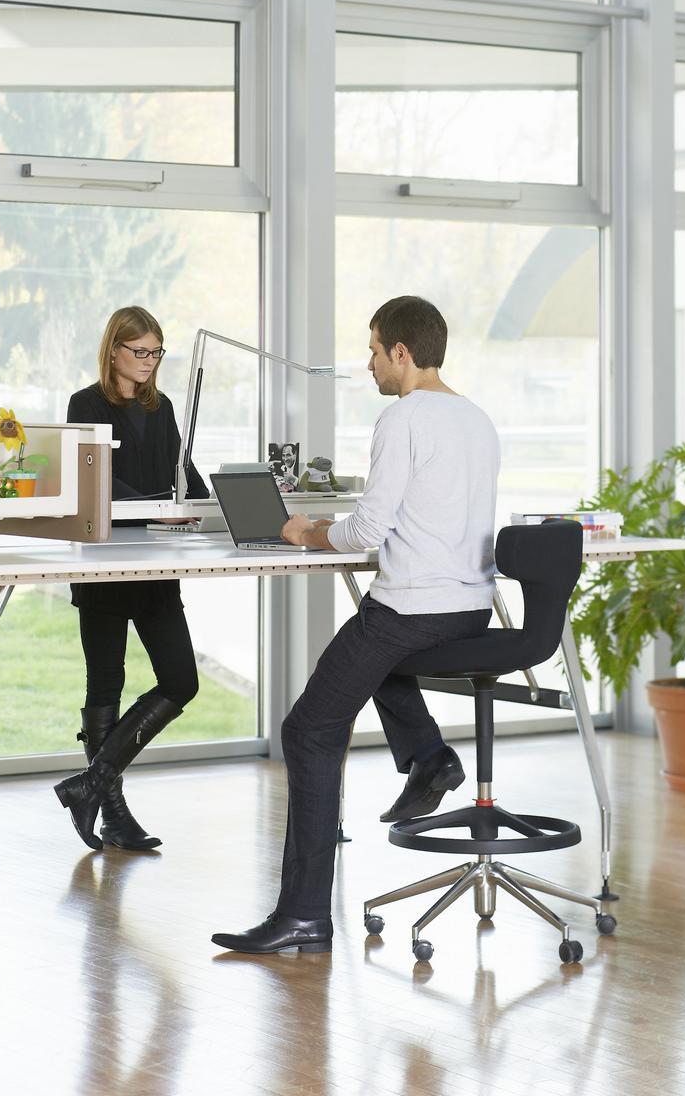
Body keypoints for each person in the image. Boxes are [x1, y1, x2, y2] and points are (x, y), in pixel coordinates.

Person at [212, 295, 500, 953]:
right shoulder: (476, 419)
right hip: (467, 608)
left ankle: (304, 915)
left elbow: (368, 529)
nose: (369, 364)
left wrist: (307, 532)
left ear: (401, 353)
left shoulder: (402, 418)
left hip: (410, 609)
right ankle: (428, 757)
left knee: (308, 730)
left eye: (373, 350)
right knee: (366, 663)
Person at [54, 306, 208, 852]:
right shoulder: (85, 404)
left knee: (181, 679)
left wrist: (211, 501)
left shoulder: (162, 407)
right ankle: (113, 814)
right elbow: (92, 479)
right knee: (106, 685)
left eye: (156, 352)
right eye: (140, 351)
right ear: (113, 350)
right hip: (101, 564)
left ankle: (90, 785)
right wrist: (159, 508)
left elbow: (182, 472)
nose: (148, 362)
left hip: (155, 565)